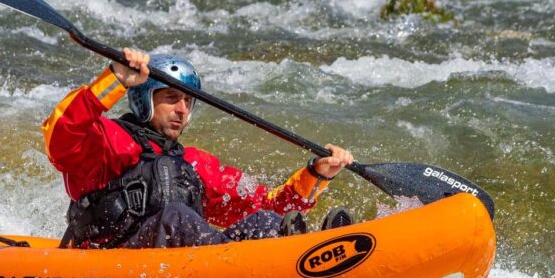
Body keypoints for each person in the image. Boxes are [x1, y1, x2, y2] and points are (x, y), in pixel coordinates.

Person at [42, 48, 355, 249]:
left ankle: (313, 249)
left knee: (264, 222)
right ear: (144, 100)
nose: (181, 109)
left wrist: (316, 174)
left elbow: (269, 203)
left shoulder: (194, 164)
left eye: (187, 101)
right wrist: (115, 79)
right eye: (171, 98)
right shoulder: (108, 139)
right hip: (110, 259)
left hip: (178, 269)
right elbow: (61, 134)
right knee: (175, 217)